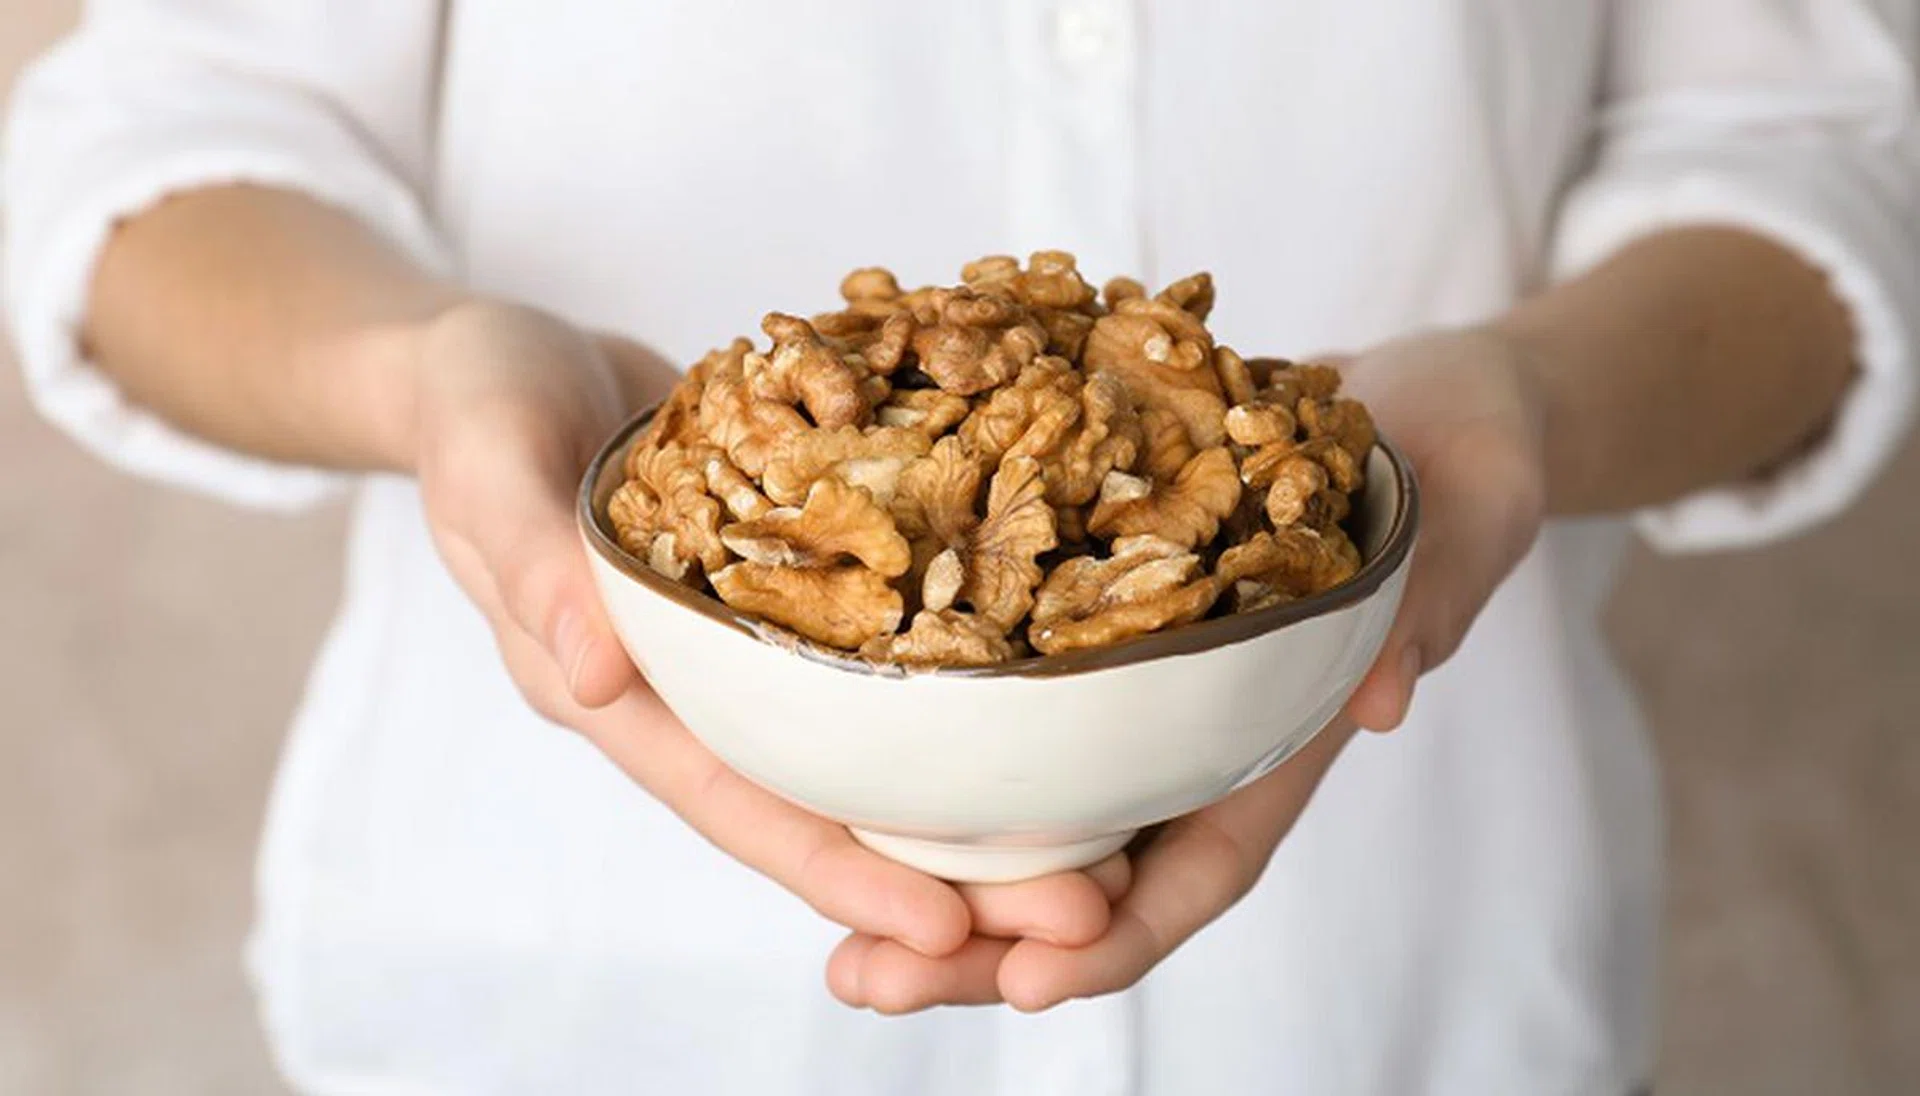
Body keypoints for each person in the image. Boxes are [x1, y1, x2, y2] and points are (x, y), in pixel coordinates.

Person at [5, 1, 1916, 1093]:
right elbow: (166, 138)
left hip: (1405, 1003)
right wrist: (425, 375)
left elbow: (1805, 160)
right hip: (573, 1009)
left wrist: (1528, 406)